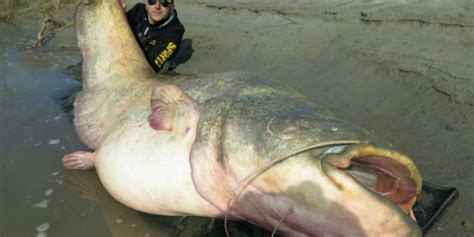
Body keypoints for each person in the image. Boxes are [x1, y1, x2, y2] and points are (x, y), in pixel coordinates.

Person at [125, 0, 185, 72]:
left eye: (164, 2)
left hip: (146, 63)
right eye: (152, 1)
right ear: (146, 3)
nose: (157, 6)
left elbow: (152, 65)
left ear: (172, 7)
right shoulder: (138, 11)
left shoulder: (175, 32)